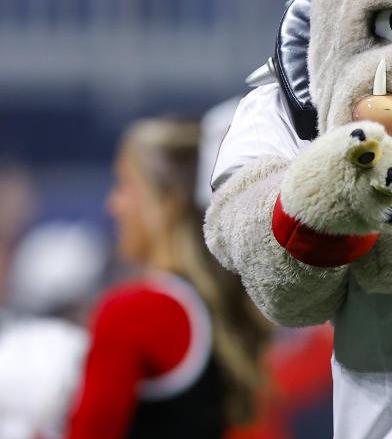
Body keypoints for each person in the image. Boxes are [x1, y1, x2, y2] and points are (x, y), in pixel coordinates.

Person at [67, 117, 272, 439]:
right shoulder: (219, 303)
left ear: (167, 204)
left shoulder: (134, 312)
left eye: (124, 185)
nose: (113, 205)